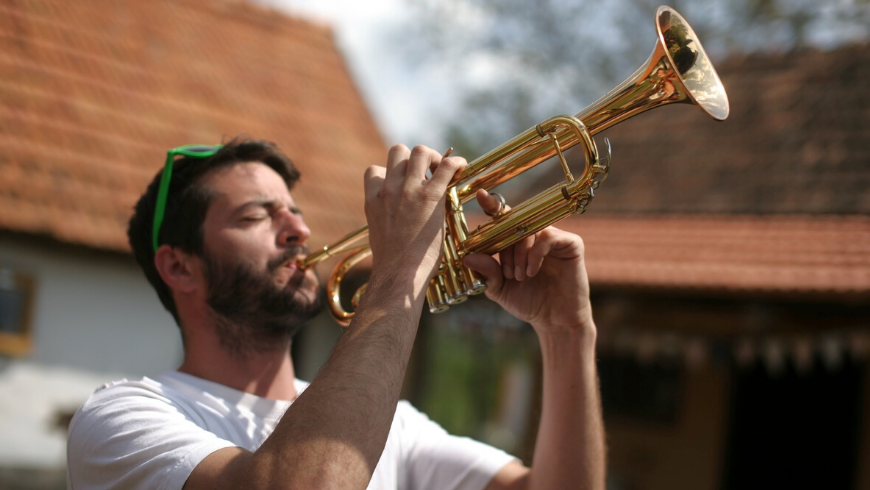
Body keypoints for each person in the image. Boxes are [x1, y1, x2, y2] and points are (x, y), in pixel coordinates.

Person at [66, 136, 606, 490]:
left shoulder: (390, 423)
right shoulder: (124, 418)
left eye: (294, 213)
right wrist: (400, 270)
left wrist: (568, 332)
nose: (299, 231)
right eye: (257, 214)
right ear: (181, 268)